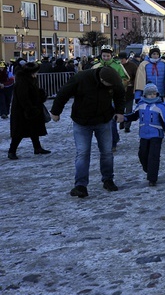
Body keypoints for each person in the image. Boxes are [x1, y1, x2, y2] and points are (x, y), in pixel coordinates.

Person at [50, 66, 126, 198]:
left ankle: (108, 180)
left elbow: (120, 95)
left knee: (107, 152)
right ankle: (80, 185)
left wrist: (120, 111)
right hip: (82, 122)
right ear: (101, 79)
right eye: (109, 85)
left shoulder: (114, 80)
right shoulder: (81, 78)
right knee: (83, 153)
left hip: (104, 120)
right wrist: (56, 112)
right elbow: (63, 93)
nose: (111, 87)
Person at [124, 83, 165, 186]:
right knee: (142, 154)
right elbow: (134, 115)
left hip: (156, 135)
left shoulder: (160, 106)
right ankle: (148, 169)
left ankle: (152, 178)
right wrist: (125, 118)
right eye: (150, 94)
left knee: (153, 156)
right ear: (145, 95)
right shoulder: (141, 105)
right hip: (144, 134)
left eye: (154, 94)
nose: (152, 96)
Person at [7, 62, 51, 159]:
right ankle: (12, 151)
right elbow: (23, 96)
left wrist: (40, 94)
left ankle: (37, 148)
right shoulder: (23, 80)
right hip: (23, 111)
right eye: (36, 71)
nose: (37, 73)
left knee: (33, 129)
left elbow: (32, 92)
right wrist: (29, 108)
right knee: (19, 132)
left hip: (31, 108)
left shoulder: (31, 79)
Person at [92, 45, 129, 151]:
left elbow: (125, 79)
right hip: (100, 98)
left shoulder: (118, 66)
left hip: (113, 97)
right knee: (102, 122)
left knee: (111, 121)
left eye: (108, 56)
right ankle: (108, 140)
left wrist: (117, 85)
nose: (106, 58)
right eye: (104, 56)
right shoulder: (96, 66)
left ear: (111, 56)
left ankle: (112, 142)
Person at [118, 52, 139, 132]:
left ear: (126, 59)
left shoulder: (132, 66)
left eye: (122, 59)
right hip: (119, 91)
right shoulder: (118, 66)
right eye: (119, 59)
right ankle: (122, 121)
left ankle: (127, 126)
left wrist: (132, 83)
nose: (121, 60)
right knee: (121, 108)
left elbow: (137, 77)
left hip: (129, 91)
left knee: (128, 109)